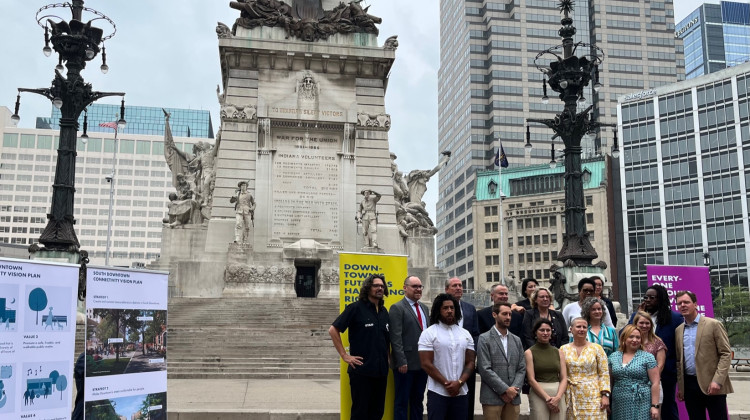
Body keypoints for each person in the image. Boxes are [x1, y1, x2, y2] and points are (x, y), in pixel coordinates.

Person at [329, 274, 391, 420]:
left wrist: (388, 358)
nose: (380, 288)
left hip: (381, 372)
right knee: (360, 413)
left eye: (382, 286)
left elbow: (385, 339)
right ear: (368, 288)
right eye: (376, 285)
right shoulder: (355, 308)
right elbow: (333, 330)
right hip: (362, 372)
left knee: (377, 412)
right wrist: (345, 355)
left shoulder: (384, 312)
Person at [675, 290, 733, 420]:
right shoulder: (679, 330)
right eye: (679, 303)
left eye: (686, 302)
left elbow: (725, 354)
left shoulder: (713, 324)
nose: (683, 305)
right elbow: (679, 361)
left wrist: (717, 381)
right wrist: (681, 387)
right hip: (690, 386)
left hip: (712, 384)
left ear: (695, 304)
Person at [629, 284, 682, 420]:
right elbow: (625, 334)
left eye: (652, 297)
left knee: (668, 408)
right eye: (646, 297)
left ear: (661, 299)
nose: (647, 300)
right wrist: (638, 315)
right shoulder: (636, 316)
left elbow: (679, 345)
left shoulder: (674, 318)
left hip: (665, 373)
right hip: (638, 374)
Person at [419, 293, 475, 420]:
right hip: (438, 393)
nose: (449, 311)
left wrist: (459, 383)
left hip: (461, 393)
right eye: (445, 308)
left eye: (452, 308)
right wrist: (447, 384)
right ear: (438, 310)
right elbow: (426, 364)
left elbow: (471, 362)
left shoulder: (465, 334)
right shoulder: (428, 333)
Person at [476, 302, 526, 420]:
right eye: (504, 314)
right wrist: (504, 390)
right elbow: (484, 368)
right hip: (492, 397)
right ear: (494, 314)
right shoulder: (484, 338)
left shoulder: (516, 340)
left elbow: (522, 367)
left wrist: (513, 390)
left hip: (513, 398)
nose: (508, 317)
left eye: (510, 314)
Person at [390, 275, 430, 420]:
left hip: (423, 364)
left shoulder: (425, 308)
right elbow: (395, 337)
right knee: (401, 402)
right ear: (405, 288)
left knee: (418, 401)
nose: (418, 289)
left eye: (420, 286)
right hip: (405, 365)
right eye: (415, 286)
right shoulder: (397, 308)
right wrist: (401, 360)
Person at [608, 324, 661, 420]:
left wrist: (655, 406)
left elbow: (655, 383)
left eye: (638, 337)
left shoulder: (648, 357)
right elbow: (610, 382)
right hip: (619, 402)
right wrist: (607, 398)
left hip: (641, 401)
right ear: (623, 338)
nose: (635, 340)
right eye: (631, 336)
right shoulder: (613, 357)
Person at [561, 317, 610, 419]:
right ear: (571, 329)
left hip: (593, 395)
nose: (581, 329)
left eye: (584, 327)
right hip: (571, 396)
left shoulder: (597, 348)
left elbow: (604, 373)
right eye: (578, 326)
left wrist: (605, 395)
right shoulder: (563, 349)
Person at [445, 277, 479, 418]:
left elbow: (475, 333)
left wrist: (473, 353)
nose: (459, 288)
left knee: (468, 396)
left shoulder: (470, 308)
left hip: (467, 361)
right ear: (447, 289)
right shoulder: (441, 307)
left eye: (460, 285)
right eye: (455, 285)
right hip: (447, 360)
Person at [524, 319, 567, 420]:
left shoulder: (559, 352)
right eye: (542, 330)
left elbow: (564, 377)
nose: (545, 333)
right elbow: (531, 379)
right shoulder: (529, 352)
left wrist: (558, 397)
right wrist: (547, 398)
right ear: (535, 332)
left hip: (558, 392)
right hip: (539, 392)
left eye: (548, 330)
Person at [632, 310, 667, 408]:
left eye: (647, 323)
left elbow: (660, 365)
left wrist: (650, 380)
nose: (644, 325)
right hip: (634, 385)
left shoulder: (658, 342)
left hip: (653, 384)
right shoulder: (630, 341)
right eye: (641, 323)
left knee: (655, 414)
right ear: (635, 324)